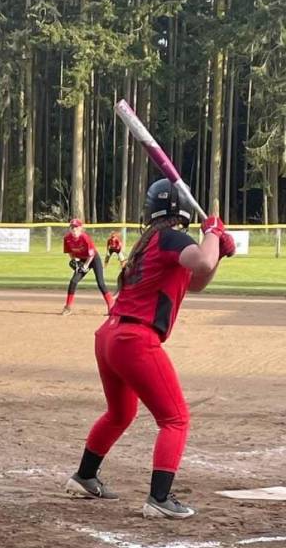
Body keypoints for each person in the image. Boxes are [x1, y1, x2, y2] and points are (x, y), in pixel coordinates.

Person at [65, 178, 236, 519]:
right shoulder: (172, 238)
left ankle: (84, 476)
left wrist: (218, 251)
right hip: (134, 341)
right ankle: (159, 498)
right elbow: (201, 261)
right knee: (176, 419)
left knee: (121, 413)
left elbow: (198, 279)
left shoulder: (150, 242)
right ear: (182, 210)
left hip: (111, 336)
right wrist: (214, 234)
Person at [62, 219, 114, 316]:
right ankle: (68, 307)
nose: (74, 229)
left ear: (81, 228)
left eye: (76, 227)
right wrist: (76, 261)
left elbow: (91, 254)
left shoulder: (85, 238)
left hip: (93, 259)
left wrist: (85, 266)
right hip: (81, 260)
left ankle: (111, 304)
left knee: (100, 283)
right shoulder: (67, 238)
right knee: (73, 281)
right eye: (72, 227)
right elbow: (70, 251)